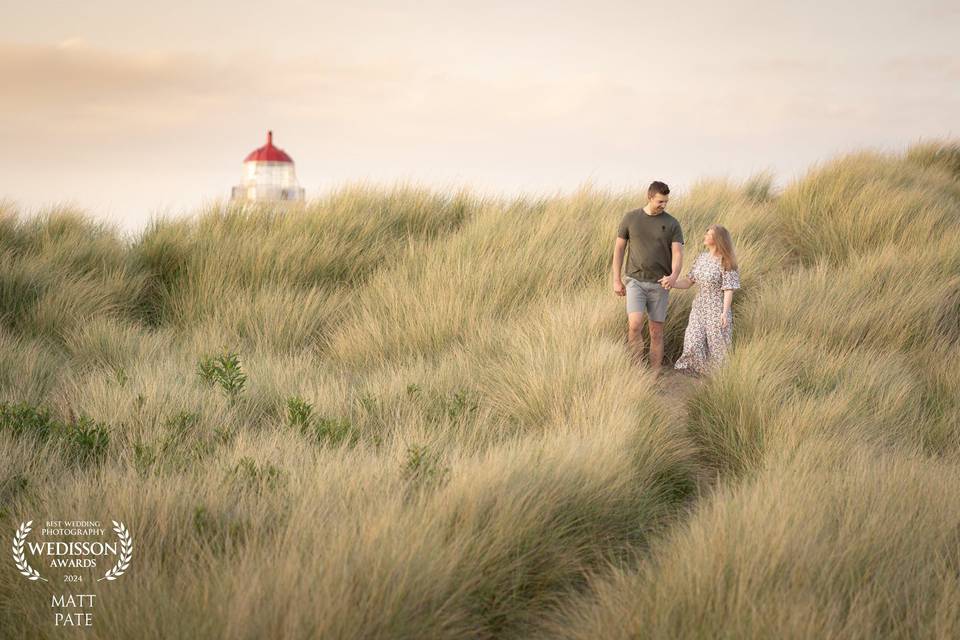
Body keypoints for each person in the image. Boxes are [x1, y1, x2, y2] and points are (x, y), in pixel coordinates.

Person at [611, 181, 684, 375]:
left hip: (660, 284)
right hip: (635, 281)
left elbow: (677, 253)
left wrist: (674, 276)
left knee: (656, 332)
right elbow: (619, 249)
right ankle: (636, 371)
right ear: (649, 197)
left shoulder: (672, 223)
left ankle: (654, 376)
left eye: (666, 201)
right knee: (634, 325)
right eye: (660, 201)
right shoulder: (631, 218)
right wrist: (616, 279)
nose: (664, 205)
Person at [662, 224, 741, 375]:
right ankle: (696, 372)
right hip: (699, 306)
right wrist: (672, 283)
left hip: (717, 307)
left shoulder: (727, 261)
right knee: (693, 340)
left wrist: (724, 312)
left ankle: (718, 379)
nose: (705, 236)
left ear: (718, 239)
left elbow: (728, 289)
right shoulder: (701, 258)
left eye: (709, 234)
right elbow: (688, 282)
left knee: (718, 346)